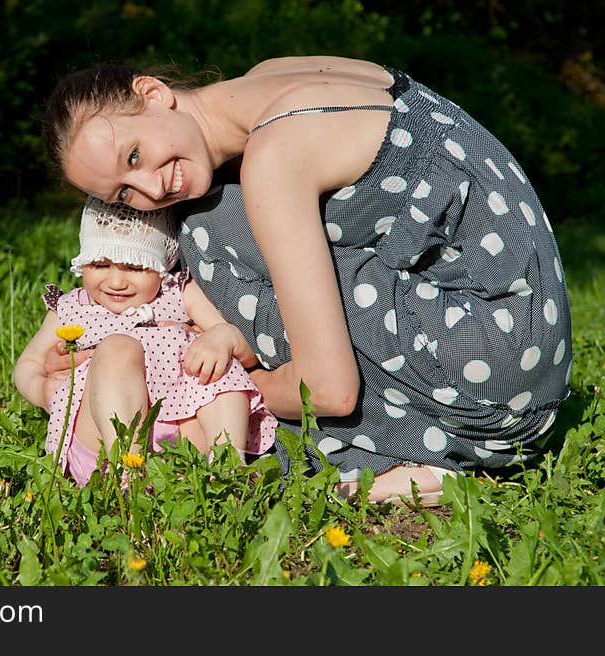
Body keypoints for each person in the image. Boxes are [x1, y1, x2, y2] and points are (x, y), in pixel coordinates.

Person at [39, 55, 573, 505]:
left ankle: (390, 465)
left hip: (494, 390)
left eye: (133, 156)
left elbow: (330, 391)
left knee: (207, 225)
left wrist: (197, 387)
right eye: (123, 197)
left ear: (153, 93)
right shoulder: (272, 76)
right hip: (530, 340)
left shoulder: (274, 157)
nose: (149, 190)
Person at [13, 195, 277, 487]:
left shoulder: (179, 293)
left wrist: (223, 337)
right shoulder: (73, 307)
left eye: (136, 267)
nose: (116, 282)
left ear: (163, 265)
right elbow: (28, 363)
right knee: (118, 347)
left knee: (215, 356)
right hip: (102, 438)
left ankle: (227, 463)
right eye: (100, 265)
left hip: (186, 439)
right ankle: (126, 472)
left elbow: (248, 354)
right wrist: (40, 389)